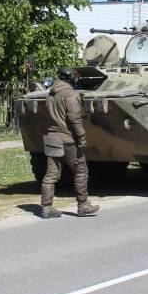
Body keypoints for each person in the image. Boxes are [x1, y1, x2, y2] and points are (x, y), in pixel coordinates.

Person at [39, 67, 99, 218]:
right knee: (81, 171)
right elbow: (74, 118)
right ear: (71, 78)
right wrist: (81, 137)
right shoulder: (71, 94)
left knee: (50, 175)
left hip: (52, 137)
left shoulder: (51, 93)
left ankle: (46, 207)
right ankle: (83, 205)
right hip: (68, 139)